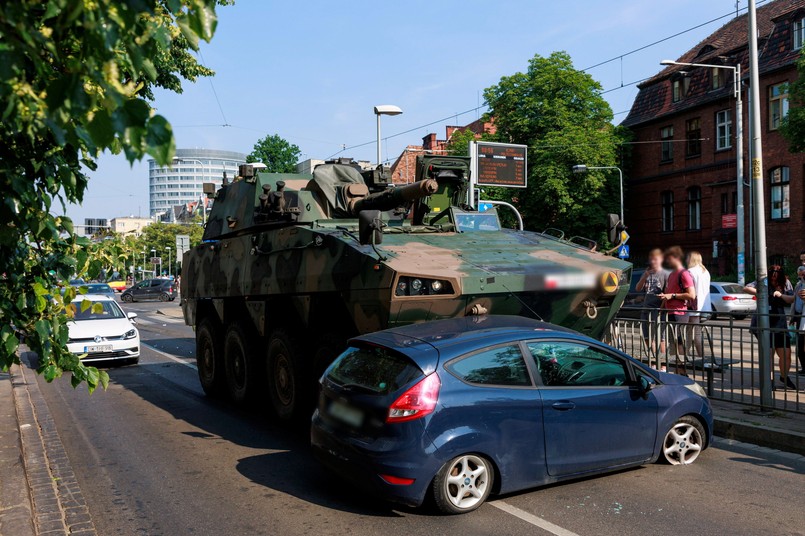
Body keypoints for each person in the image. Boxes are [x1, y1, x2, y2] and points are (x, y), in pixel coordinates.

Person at [744, 266, 797, 390]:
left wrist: (780, 295)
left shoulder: (786, 282)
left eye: (776, 278)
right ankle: (769, 380)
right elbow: (746, 287)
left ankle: (784, 377)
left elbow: (791, 299)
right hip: (763, 322)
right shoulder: (763, 281)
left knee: (786, 353)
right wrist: (760, 292)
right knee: (769, 353)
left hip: (779, 322)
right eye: (772, 277)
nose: (774, 280)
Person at [657, 246, 696, 374]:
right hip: (670, 312)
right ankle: (678, 371)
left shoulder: (683, 273)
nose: (667, 262)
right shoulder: (672, 274)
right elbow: (669, 293)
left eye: (668, 259)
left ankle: (683, 372)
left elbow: (691, 295)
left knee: (679, 342)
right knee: (673, 344)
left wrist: (672, 296)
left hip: (680, 312)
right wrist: (662, 307)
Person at [635, 248, 668, 355]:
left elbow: (667, 294)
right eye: (651, 259)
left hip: (658, 310)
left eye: (655, 259)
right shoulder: (647, 273)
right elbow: (638, 288)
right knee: (647, 336)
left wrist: (661, 309)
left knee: (661, 338)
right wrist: (644, 277)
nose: (653, 262)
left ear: (661, 259)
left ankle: (662, 363)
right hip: (646, 309)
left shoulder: (665, 274)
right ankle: (653, 360)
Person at [685, 252, 711, 359]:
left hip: (693, 305)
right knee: (691, 331)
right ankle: (687, 353)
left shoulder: (690, 271)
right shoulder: (705, 271)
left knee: (694, 332)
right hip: (704, 305)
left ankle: (699, 355)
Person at [790, 265, 805, 376]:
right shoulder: (798, 285)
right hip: (799, 317)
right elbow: (794, 302)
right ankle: (804, 367)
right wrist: (793, 316)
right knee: (800, 345)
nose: (800, 276)